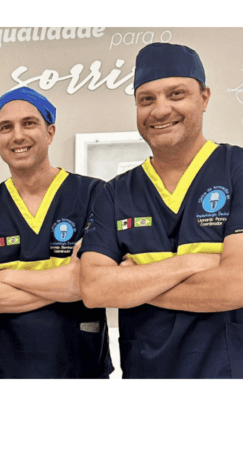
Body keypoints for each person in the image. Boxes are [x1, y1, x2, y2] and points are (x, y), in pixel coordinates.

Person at [79, 42, 243, 379]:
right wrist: (191, 263)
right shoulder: (115, 193)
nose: (160, 110)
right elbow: (94, 289)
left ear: (204, 98)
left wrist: (132, 286)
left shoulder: (236, 170)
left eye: (176, 94)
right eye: (147, 99)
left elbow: (235, 285)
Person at [0, 86, 113, 378]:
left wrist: (8, 276)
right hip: (3, 372)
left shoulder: (95, 195)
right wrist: (67, 283)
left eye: (29, 123)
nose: (17, 136)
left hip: (80, 371)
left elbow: (92, 284)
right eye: (6, 127)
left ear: (50, 132)